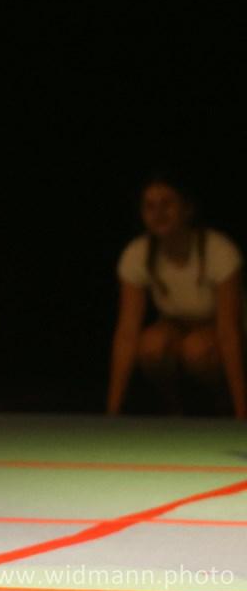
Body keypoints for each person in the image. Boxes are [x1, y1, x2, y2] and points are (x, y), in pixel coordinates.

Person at [107, 172, 246, 419]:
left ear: (187, 209)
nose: (158, 213)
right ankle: (172, 409)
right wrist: (112, 412)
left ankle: (224, 404)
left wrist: (242, 411)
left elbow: (229, 331)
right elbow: (127, 332)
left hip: (218, 332)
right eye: (150, 206)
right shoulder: (137, 254)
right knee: (151, 345)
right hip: (175, 328)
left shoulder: (219, 250)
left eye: (167, 204)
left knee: (197, 350)